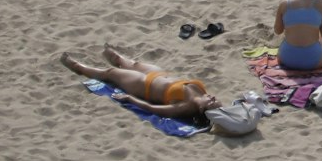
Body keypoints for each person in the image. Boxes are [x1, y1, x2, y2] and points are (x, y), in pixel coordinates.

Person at [60, 46, 220, 120]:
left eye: (211, 102)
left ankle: (78, 67)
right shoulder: (201, 93)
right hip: (159, 74)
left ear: (201, 108)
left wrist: (129, 99)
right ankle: (117, 58)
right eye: (215, 99)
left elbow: (154, 109)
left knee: (110, 73)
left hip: (143, 85)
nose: (212, 97)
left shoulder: (186, 106)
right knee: (133, 63)